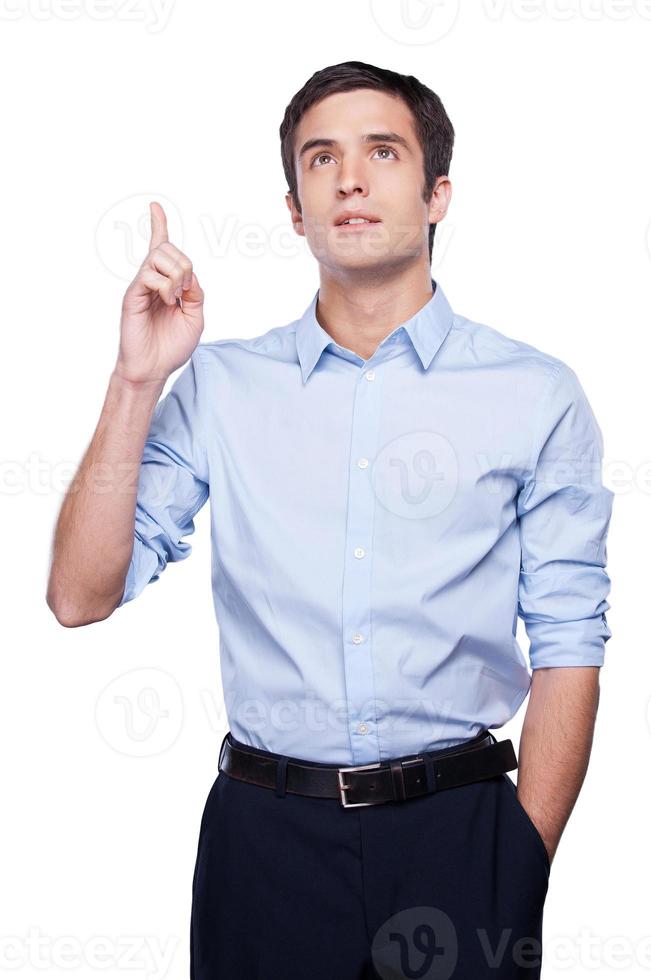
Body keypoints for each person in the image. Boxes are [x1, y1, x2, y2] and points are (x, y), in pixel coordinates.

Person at [46, 61, 613, 979]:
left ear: (437, 194)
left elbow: (570, 642)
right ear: (294, 207)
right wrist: (138, 380)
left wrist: (518, 863)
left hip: (460, 837)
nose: (349, 177)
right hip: (264, 847)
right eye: (321, 158)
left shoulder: (535, 394)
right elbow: (78, 595)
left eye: (381, 152)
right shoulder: (220, 387)